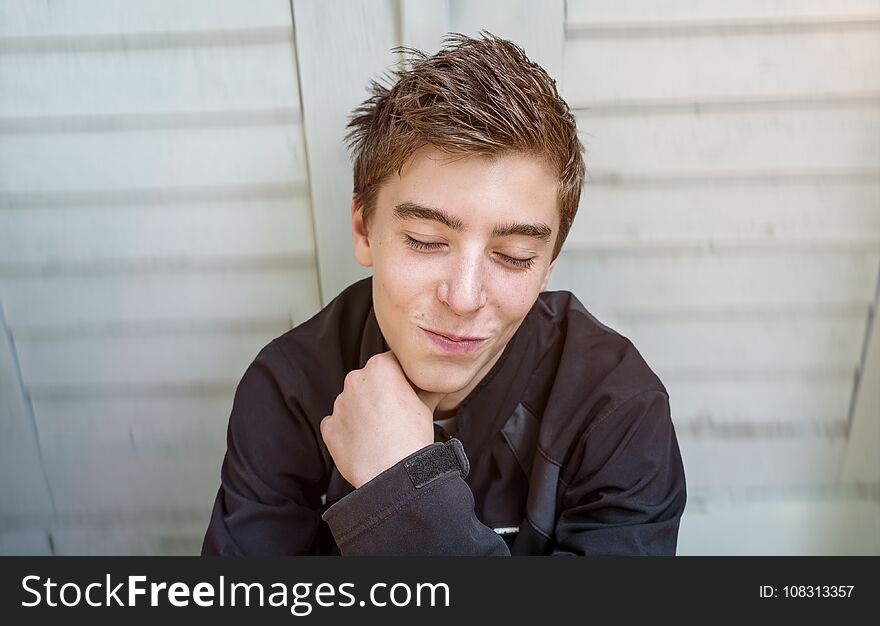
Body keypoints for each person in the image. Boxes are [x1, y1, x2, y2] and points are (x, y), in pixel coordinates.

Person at [202, 33, 686, 556]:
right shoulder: (288, 392)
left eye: (515, 256)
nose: (463, 297)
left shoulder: (617, 410)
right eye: (427, 242)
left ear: (548, 265)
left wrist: (404, 496)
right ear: (365, 231)